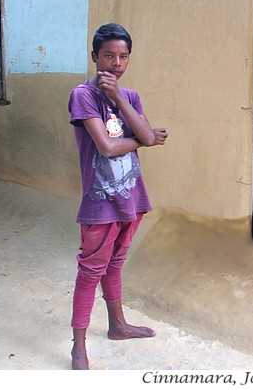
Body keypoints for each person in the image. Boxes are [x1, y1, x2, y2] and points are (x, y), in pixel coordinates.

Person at [67, 23, 168, 370]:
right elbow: (108, 147)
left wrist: (119, 99)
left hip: (132, 198)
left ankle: (117, 325)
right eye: (108, 55)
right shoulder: (82, 95)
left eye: (123, 56)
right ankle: (78, 346)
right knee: (90, 271)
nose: (116, 63)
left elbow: (142, 133)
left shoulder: (131, 97)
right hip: (99, 203)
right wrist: (147, 138)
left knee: (115, 263)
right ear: (94, 56)